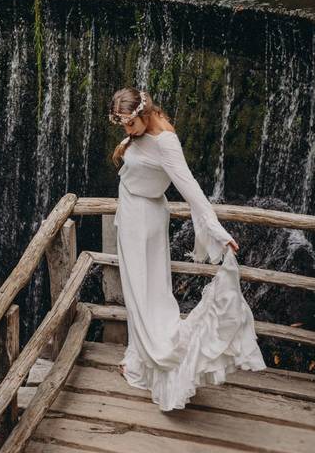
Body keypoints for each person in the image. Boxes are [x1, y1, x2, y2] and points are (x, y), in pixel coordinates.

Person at [108, 87, 266, 411]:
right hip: (138, 214)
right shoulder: (146, 128)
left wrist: (217, 231)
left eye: (128, 124)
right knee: (144, 293)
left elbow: (191, 188)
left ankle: (164, 360)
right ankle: (137, 361)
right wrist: (126, 143)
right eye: (122, 124)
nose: (126, 130)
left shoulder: (165, 139)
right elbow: (139, 149)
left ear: (143, 113)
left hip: (142, 219)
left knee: (145, 294)